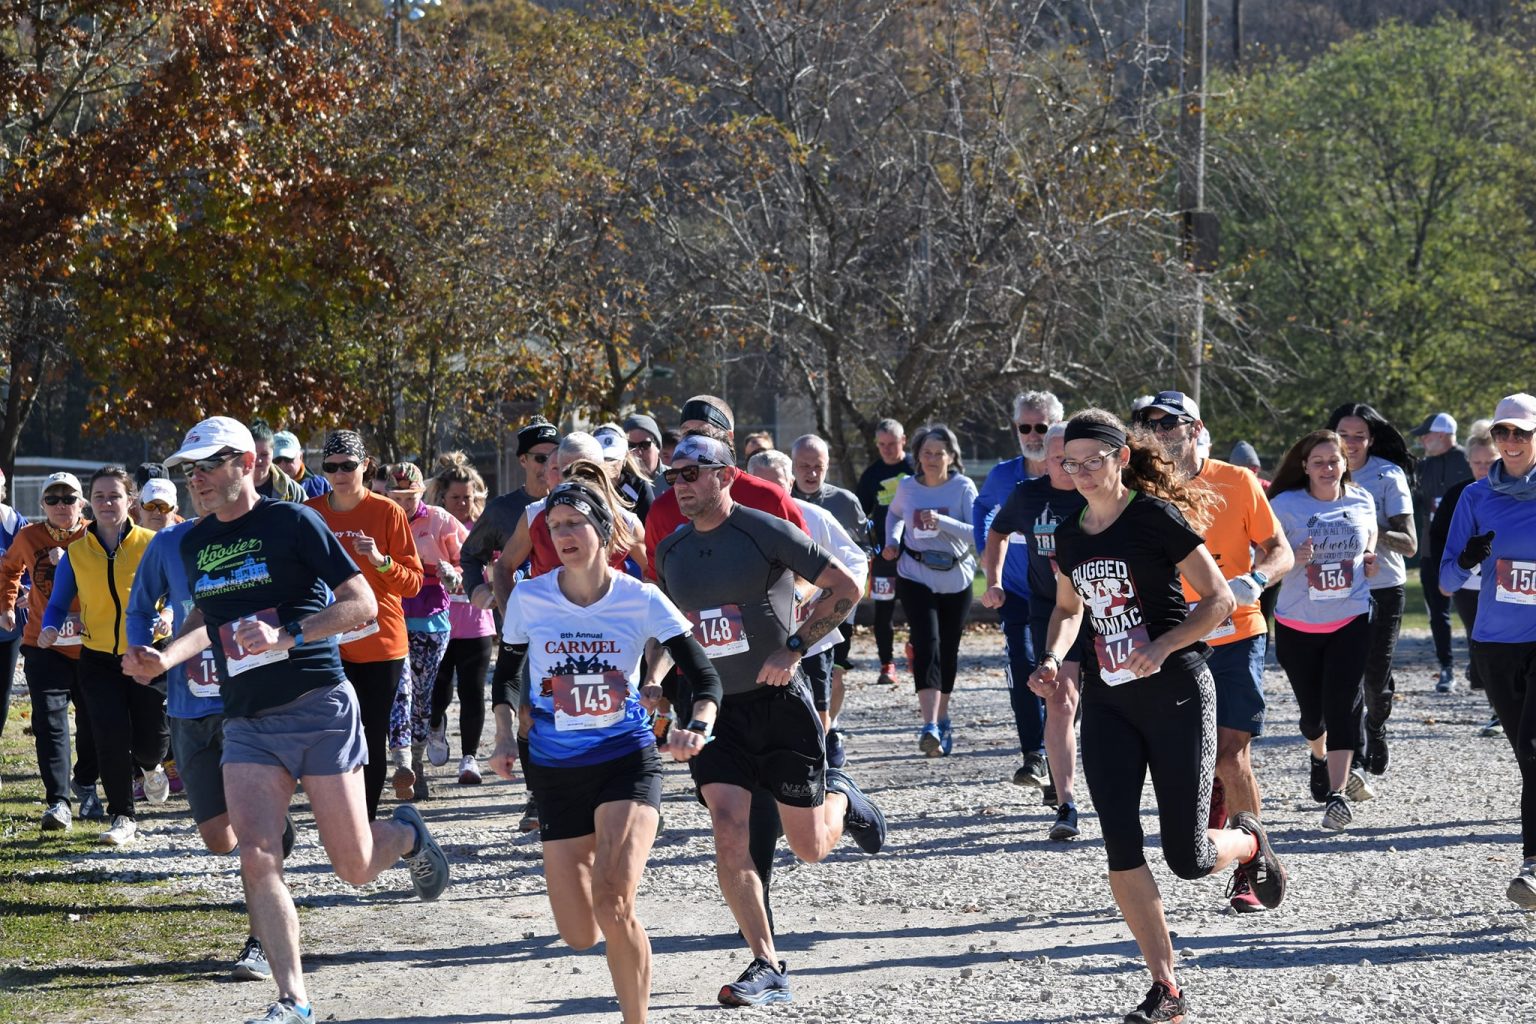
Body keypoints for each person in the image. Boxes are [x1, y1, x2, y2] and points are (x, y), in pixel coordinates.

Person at [127, 415, 448, 1024]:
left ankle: (407, 833)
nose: (195, 479)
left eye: (207, 466)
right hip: (247, 719)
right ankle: (293, 999)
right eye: (189, 469)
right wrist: (161, 657)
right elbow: (206, 621)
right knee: (256, 852)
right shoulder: (194, 542)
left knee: (352, 866)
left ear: (245, 464)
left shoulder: (294, 521)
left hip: (319, 706)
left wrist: (287, 634)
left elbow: (360, 605)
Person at [1029, 409, 1287, 1024]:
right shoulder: (1068, 534)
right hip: (1111, 703)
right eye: (1071, 462)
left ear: (1121, 458)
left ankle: (1250, 840)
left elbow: (1220, 600)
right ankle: (1166, 988)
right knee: (1120, 843)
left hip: (1176, 693)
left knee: (1188, 857)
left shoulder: (1154, 517)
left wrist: (1162, 645)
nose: (1083, 472)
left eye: (1094, 459)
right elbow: (1069, 608)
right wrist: (1051, 658)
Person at [654, 432, 886, 1007]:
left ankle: (841, 796)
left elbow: (846, 587)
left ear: (725, 475)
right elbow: (672, 623)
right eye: (671, 475)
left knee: (808, 846)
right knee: (728, 826)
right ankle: (766, 961)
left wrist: (793, 647)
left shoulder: (764, 531)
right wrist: (654, 681)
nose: (678, 486)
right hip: (715, 712)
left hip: (782, 706)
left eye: (690, 473)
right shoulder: (672, 550)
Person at [488, 477, 724, 1022]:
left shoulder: (639, 597)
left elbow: (705, 677)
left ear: (601, 527)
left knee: (615, 902)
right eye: (554, 527)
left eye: (574, 523)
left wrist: (697, 726)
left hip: (626, 760)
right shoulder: (530, 597)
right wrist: (503, 734)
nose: (563, 534)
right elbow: (505, 678)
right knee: (579, 932)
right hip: (554, 771)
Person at [125, 484, 297, 981]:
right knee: (217, 836)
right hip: (186, 704)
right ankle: (277, 835)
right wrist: (143, 650)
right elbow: (140, 608)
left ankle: (261, 941)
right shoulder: (168, 545)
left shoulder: (259, 539)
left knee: (251, 837)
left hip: (248, 705)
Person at [1139, 390, 1293, 912]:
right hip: (1173, 638)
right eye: (1149, 424)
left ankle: (1254, 865)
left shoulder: (1237, 480)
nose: (1159, 432)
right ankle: (1217, 825)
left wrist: (1256, 579)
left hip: (1237, 632)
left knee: (1231, 753)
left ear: (1194, 427)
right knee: (1188, 758)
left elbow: (1281, 551)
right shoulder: (1141, 491)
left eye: (1168, 423)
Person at [1439, 393, 1536, 909]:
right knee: (1528, 757)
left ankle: (1533, 865)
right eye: (1504, 433)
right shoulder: (1475, 497)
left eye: (1522, 433)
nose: (1512, 442)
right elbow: (1447, 579)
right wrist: (1471, 558)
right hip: (1497, 643)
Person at [41, 466, 169, 847]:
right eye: (99, 497)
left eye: (114, 496)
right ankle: (122, 815)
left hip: (146, 654)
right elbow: (59, 601)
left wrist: (169, 616)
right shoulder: (77, 552)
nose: (107, 503)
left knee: (150, 741)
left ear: (130, 500)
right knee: (109, 735)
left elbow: (177, 595)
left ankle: (150, 766)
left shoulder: (152, 543)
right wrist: (50, 627)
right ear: (88, 503)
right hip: (97, 659)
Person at [305, 431, 425, 817]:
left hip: (380, 643)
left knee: (370, 732)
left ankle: (366, 820)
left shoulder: (387, 512)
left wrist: (379, 560)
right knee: (330, 733)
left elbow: (413, 583)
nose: (339, 474)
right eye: (331, 466)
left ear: (365, 466)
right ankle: (338, 814)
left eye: (348, 465)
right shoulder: (309, 513)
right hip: (326, 642)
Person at [1267, 429, 1380, 830]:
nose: (1328, 468)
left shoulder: (1361, 499)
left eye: (1334, 461)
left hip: (1350, 617)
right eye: (1319, 462)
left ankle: (1336, 794)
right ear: (1305, 467)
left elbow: (1370, 538)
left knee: (1342, 704)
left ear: (1345, 463)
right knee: (1313, 717)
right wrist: (1291, 558)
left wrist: (1368, 558)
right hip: (1297, 622)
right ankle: (1318, 754)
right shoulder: (1284, 505)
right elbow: (1260, 558)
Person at [982, 423, 1088, 840]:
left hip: (1107, 612)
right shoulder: (1028, 495)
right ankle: (1066, 804)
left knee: (1097, 707)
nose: (1068, 465)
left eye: (1076, 457)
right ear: (1044, 457)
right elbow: (997, 530)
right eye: (1059, 457)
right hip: (1053, 609)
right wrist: (993, 580)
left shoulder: (1100, 493)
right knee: (1060, 700)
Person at [751, 450, 868, 767]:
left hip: (813, 631)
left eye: (777, 485)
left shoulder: (814, 517)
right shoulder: (736, 524)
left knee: (817, 704)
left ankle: (818, 768)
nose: (771, 494)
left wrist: (833, 604)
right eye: (760, 486)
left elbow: (855, 562)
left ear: (790, 483)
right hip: (758, 637)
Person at [0, 472, 102, 829]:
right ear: (42, 505)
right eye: (53, 499)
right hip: (43, 644)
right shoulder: (29, 537)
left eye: (69, 498)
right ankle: (58, 802)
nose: (62, 506)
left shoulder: (96, 533)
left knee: (93, 721)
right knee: (50, 722)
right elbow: (9, 568)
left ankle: (86, 785)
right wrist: (8, 604)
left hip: (93, 644)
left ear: (81, 503)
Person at [973, 392, 1063, 788]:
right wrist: (987, 576)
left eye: (1041, 427)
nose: (1032, 434)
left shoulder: (1072, 473)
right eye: (1024, 426)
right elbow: (984, 518)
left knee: (1065, 675)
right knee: (1024, 666)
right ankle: (1035, 754)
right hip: (1016, 594)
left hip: (1066, 597)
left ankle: (1059, 748)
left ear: (1057, 427)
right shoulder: (1002, 477)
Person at [1328, 402, 1416, 789]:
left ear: (1371, 439)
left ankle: (1376, 725)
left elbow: (1410, 543)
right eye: (1343, 435)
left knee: (1375, 681)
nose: (1350, 444)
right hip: (1332, 589)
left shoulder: (1387, 475)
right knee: (1343, 679)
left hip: (1382, 588)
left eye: (1358, 436)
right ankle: (1354, 759)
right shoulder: (1318, 470)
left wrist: (1366, 530)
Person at [881, 424, 977, 755]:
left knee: (948, 649)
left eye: (939, 453)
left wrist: (941, 521)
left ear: (951, 457)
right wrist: (892, 541)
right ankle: (929, 724)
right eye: (926, 453)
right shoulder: (907, 487)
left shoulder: (963, 487)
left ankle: (943, 717)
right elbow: (893, 515)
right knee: (927, 643)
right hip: (915, 573)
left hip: (956, 577)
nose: (933, 459)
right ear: (917, 457)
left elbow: (978, 534)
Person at [387, 462, 467, 799]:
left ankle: (417, 761)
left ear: (422, 492)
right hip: (392, 617)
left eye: (410, 496)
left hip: (432, 617)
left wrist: (453, 572)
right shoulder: (382, 517)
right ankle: (402, 762)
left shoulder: (441, 520)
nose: (403, 503)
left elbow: (468, 561)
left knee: (422, 694)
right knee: (399, 692)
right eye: (397, 496)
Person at [788, 434, 868, 766]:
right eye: (804, 466)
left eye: (817, 467)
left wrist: (847, 598)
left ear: (827, 466)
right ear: (792, 469)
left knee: (831, 671)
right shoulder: (777, 501)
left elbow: (861, 553)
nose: (810, 473)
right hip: (789, 612)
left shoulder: (844, 502)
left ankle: (829, 729)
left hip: (834, 608)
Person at [425, 452, 495, 784]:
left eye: (468, 497)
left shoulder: (484, 527)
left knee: (472, 691)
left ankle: (469, 759)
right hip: (439, 621)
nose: (463, 504)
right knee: (439, 690)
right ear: (442, 496)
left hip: (476, 619)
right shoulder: (433, 524)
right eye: (456, 498)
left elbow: (497, 564)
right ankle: (435, 724)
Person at [1428, 425, 1499, 733]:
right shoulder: (1460, 494)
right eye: (1478, 463)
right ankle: (1496, 702)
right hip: (1467, 585)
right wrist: (1442, 579)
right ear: (1468, 462)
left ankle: (1501, 706)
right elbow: (1438, 538)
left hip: (1506, 583)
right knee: (1479, 642)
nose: (1483, 469)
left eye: (1490, 462)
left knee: (1506, 643)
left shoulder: (1517, 493)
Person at [463, 418, 558, 611]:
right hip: (520, 617)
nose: (549, 465)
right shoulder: (501, 509)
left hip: (565, 613)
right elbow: (470, 555)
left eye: (555, 458)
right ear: (523, 460)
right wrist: (480, 593)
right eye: (541, 458)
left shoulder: (573, 504)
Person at [1410, 411, 1473, 692]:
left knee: (1477, 610)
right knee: (1438, 612)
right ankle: (1447, 667)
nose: (1422, 439)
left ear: (1444, 435)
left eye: (1427, 434)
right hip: (1431, 550)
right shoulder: (1422, 467)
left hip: (1473, 551)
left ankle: (1479, 662)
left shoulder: (1469, 460)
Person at [856, 418, 914, 686]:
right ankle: (887, 664)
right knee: (883, 613)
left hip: (916, 555)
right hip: (884, 557)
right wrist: (873, 548)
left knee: (919, 608)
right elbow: (859, 516)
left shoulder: (915, 468)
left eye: (892, 444)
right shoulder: (871, 475)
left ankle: (916, 652)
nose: (887, 449)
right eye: (882, 445)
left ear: (903, 441)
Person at [0, 467, 26, 741]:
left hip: (7, 625)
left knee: (2, 694)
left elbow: (33, 565)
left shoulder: (15, 525)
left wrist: (29, 591)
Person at [250, 420, 308, 503]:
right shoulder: (232, 486)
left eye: (264, 454)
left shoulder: (291, 490)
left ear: (272, 453)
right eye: (254, 454)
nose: (258, 460)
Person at [273, 431, 330, 500]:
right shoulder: (261, 488)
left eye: (288, 458)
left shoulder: (321, 486)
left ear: (300, 457)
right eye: (277, 460)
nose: (282, 465)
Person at [624, 413, 667, 490]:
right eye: (631, 446)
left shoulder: (675, 479)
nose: (638, 453)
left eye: (644, 445)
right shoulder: (619, 483)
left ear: (657, 446)